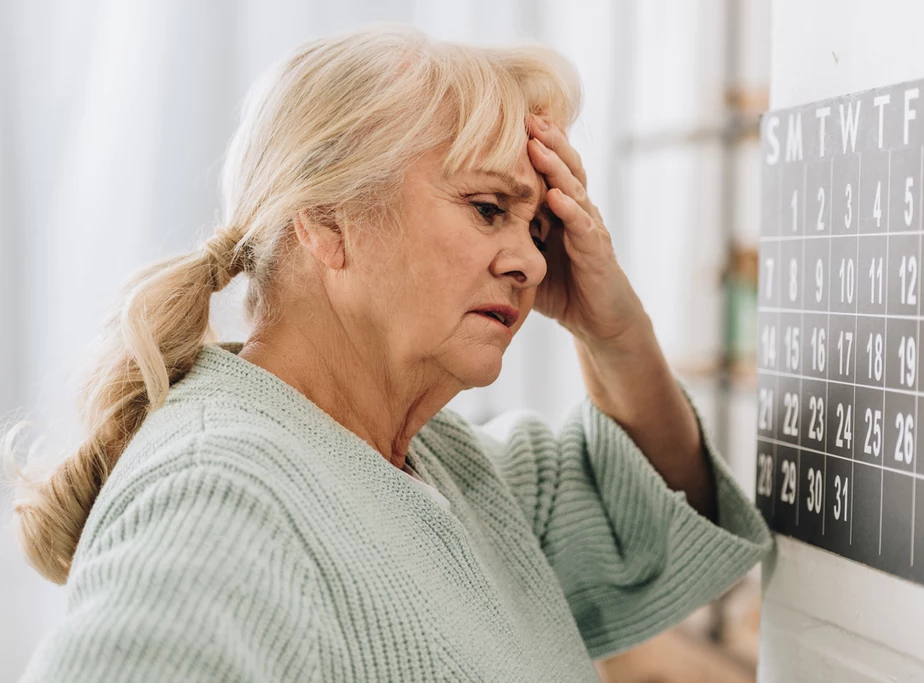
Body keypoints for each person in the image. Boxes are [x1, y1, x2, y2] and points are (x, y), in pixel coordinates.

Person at [6, 26, 771, 682]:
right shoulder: (221, 492)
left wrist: (615, 330)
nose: (533, 264)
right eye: (487, 208)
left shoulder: (449, 468)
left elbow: (646, 515)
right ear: (327, 220)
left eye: (537, 230)